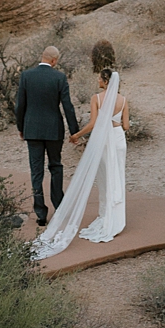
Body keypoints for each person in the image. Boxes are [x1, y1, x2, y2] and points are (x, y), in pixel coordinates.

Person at [30, 62, 129, 259]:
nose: (98, 80)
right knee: (118, 177)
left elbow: (93, 124)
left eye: (100, 78)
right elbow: (126, 126)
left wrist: (76, 135)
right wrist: (114, 125)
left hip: (104, 141)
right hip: (118, 140)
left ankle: (105, 216)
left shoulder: (97, 99)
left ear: (106, 81)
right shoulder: (124, 100)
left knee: (103, 179)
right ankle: (116, 220)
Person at [13, 46, 79, 229]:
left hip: (32, 130)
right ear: (54, 60)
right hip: (53, 130)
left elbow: (20, 106)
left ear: (42, 57)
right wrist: (74, 131)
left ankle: (41, 214)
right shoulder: (59, 77)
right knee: (56, 166)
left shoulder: (26, 76)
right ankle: (60, 207)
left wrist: (21, 127)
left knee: (36, 172)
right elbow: (68, 106)